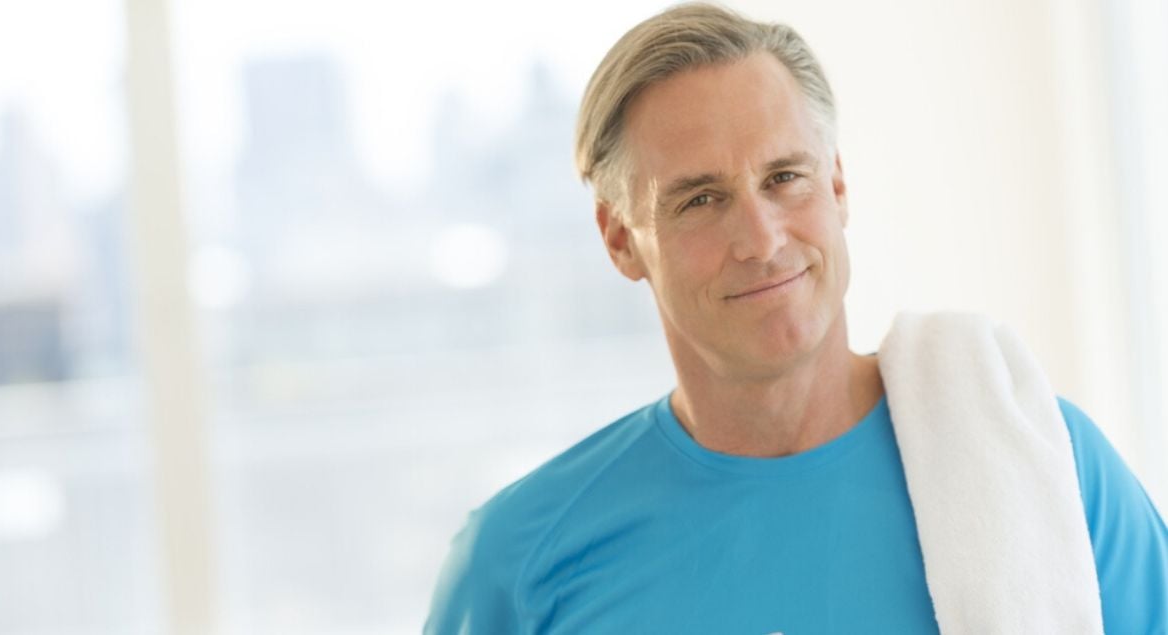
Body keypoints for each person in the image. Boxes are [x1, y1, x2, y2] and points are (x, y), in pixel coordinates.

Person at [424, 4, 1168, 633]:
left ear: (837, 184)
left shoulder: (1042, 462)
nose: (763, 239)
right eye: (700, 199)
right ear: (621, 239)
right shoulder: (521, 566)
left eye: (785, 177)